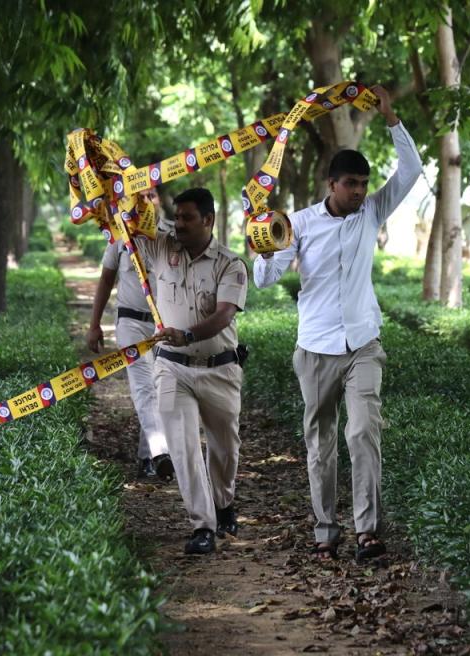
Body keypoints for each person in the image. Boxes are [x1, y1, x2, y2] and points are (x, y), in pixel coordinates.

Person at [252, 85, 422, 563]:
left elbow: (411, 171)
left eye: (364, 185)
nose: (361, 193)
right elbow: (265, 280)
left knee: (362, 429)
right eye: (352, 185)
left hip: (363, 344)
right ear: (332, 184)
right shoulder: (299, 224)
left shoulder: (372, 212)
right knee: (321, 442)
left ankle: (368, 530)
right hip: (315, 348)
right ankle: (325, 530)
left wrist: (391, 119)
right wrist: (264, 244)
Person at [139, 187, 248, 555]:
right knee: (184, 449)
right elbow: (131, 222)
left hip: (220, 369)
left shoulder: (231, 264)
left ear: (209, 220)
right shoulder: (161, 248)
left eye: (187, 217)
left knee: (224, 448)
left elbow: (223, 315)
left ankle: (223, 501)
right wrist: (131, 193)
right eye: (176, 216)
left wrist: (186, 334)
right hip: (172, 368)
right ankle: (203, 525)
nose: (178, 224)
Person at [86, 188, 172, 480]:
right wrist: (94, 323)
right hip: (130, 324)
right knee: (144, 387)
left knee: (161, 391)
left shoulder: (170, 236)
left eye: (153, 195)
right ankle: (161, 453)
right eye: (142, 194)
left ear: (159, 200)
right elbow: (106, 279)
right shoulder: (119, 235)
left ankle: (146, 457)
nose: (147, 200)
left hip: (164, 328)